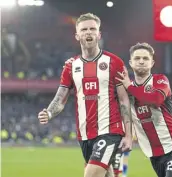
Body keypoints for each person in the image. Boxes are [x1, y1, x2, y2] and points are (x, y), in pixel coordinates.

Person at [38, 13, 132, 177]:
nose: (88, 32)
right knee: (107, 174)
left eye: (92, 29)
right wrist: (49, 112)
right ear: (77, 35)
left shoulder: (115, 62)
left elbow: (124, 100)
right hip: (85, 134)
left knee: (91, 175)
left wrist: (129, 135)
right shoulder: (70, 66)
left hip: (110, 131)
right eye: (84, 29)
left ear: (99, 34)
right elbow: (61, 97)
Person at [115, 42, 172, 177]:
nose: (141, 61)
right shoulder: (126, 90)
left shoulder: (160, 81)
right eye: (137, 58)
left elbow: (155, 100)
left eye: (145, 59)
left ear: (152, 63)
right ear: (131, 63)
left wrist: (129, 87)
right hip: (154, 155)